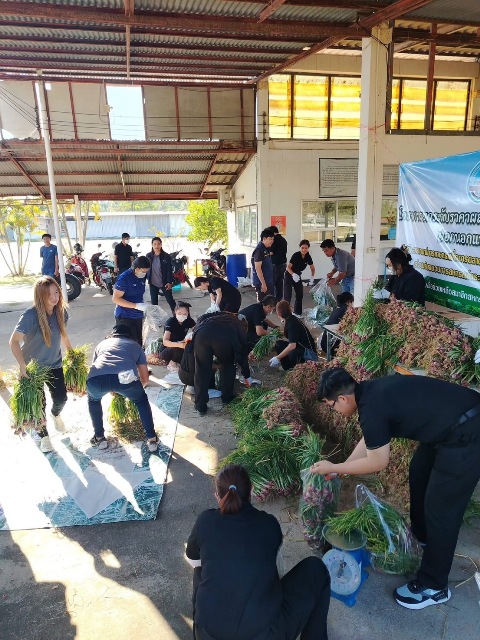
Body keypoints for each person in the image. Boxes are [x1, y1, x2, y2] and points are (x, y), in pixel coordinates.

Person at [313, 367, 480, 610]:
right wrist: (341, 468)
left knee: (441, 509)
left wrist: (335, 466)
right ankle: (422, 540)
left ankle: (434, 586)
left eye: (332, 406)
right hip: (447, 427)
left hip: (468, 431)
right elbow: (372, 440)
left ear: (342, 399)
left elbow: (378, 461)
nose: (334, 411)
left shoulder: (371, 407)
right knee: (419, 473)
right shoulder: (369, 393)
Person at [186, 463, 330, 640]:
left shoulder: (205, 521)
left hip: (207, 634)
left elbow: (193, 559)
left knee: (199, 572)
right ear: (252, 490)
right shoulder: (269, 524)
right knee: (316, 569)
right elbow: (272, 562)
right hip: (266, 635)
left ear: (217, 495)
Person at [9, 276, 72, 453]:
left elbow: (63, 334)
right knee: (39, 404)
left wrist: (71, 352)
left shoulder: (61, 312)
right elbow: (13, 341)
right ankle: (44, 436)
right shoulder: (30, 315)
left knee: (61, 398)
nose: (55, 297)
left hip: (54, 364)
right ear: (40, 296)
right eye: (49, 294)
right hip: (33, 369)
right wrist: (22, 366)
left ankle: (55, 414)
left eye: (56, 292)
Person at [86, 324, 159, 453]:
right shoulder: (135, 346)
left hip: (96, 379)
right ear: (130, 336)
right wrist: (133, 391)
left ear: (112, 335)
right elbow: (145, 379)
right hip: (125, 378)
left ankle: (99, 437)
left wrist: (113, 388)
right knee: (141, 400)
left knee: (93, 400)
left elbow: (100, 369)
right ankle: (152, 439)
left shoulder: (102, 344)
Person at [192, 312, 252, 416]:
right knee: (228, 365)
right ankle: (227, 398)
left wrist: (197, 330)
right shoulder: (239, 326)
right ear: (244, 325)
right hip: (223, 337)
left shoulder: (223, 315)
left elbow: (201, 317)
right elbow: (242, 353)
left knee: (201, 369)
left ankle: (200, 406)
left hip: (201, 333)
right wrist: (247, 374)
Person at [112, 255, 151, 346]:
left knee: (138, 343)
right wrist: (136, 306)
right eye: (143, 271)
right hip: (125, 316)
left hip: (137, 315)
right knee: (128, 345)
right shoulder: (124, 278)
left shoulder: (141, 276)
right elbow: (116, 299)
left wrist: (143, 306)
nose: (145, 273)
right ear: (136, 269)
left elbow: (138, 293)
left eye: (146, 271)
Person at [270, 301, 316, 371]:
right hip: (300, 347)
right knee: (279, 344)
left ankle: (295, 369)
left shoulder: (291, 324)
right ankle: (287, 367)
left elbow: (292, 346)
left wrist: (278, 357)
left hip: (309, 353)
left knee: (292, 353)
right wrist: (276, 334)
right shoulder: (290, 318)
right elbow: (292, 335)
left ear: (278, 314)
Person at [159, 301, 196, 371]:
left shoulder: (188, 320)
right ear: (175, 312)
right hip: (167, 350)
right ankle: (172, 363)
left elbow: (196, 329)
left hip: (181, 346)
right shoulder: (170, 322)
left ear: (188, 313)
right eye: (179, 313)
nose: (182, 315)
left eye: (184, 314)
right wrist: (179, 344)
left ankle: (178, 360)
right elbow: (165, 342)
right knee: (181, 347)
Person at [283, 240, 315, 317]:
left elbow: (312, 268)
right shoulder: (296, 255)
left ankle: (297, 312)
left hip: (297, 275)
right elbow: (288, 267)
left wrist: (312, 278)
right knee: (287, 295)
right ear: (300, 248)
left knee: (300, 294)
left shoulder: (308, 256)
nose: (304, 250)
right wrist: (293, 274)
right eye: (302, 248)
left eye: (306, 248)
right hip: (289, 274)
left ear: (308, 248)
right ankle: (284, 315)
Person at [146, 237, 176, 314]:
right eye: (155, 244)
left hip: (165, 283)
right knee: (154, 302)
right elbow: (146, 269)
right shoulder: (148, 256)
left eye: (158, 244)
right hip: (153, 283)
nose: (157, 246)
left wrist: (169, 282)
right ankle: (155, 318)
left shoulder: (166, 256)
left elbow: (169, 270)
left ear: (161, 245)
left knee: (170, 300)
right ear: (152, 245)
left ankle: (176, 315)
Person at [251, 228, 275, 302]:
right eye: (270, 239)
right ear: (264, 239)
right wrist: (263, 283)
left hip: (268, 280)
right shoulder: (259, 250)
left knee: (270, 303)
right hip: (261, 283)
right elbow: (258, 268)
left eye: (273, 239)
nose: (272, 241)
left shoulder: (266, 248)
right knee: (263, 304)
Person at [269, 225, 288, 301]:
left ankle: (271, 302)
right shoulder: (283, 239)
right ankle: (278, 301)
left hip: (275, 264)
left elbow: (271, 252)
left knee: (272, 283)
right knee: (279, 284)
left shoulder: (274, 240)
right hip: (283, 264)